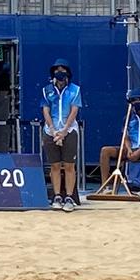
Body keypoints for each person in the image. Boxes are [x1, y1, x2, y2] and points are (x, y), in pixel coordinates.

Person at [99, 88, 140, 195]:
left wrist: (139, 151)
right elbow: (126, 137)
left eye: (138, 100)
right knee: (105, 151)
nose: (135, 103)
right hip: (131, 148)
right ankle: (104, 187)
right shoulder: (129, 117)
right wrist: (129, 149)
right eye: (133, 100)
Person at [40, 58, 82, 212]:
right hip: (51, 131)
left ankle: (69, 197)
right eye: (57, 69)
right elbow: (45, 110)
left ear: (67, 73)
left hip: (69, 131)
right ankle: (57, 196)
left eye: (62, 69)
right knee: (55, 165)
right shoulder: (47, 90)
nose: (59, 72)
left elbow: (74, 111)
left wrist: (64, 131)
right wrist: (53, 130)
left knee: (69, 165)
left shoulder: (75, 90)